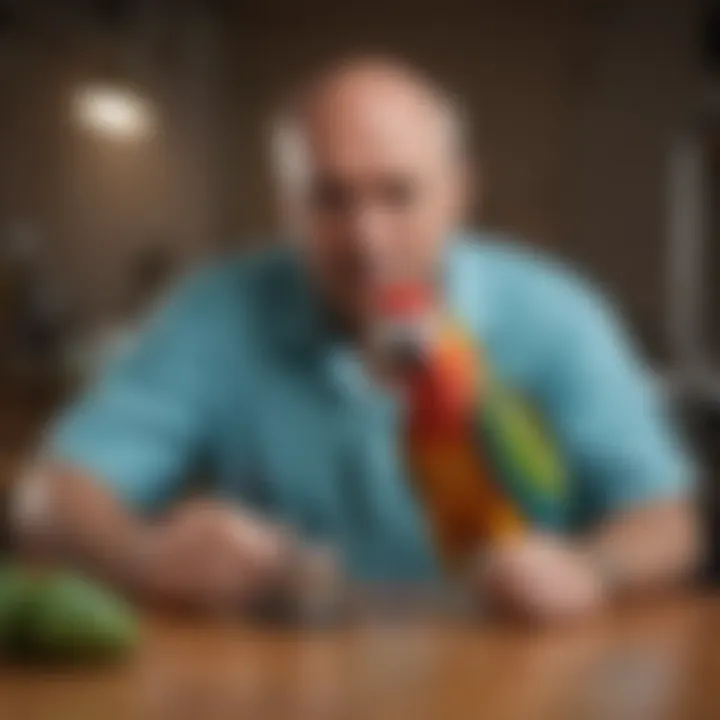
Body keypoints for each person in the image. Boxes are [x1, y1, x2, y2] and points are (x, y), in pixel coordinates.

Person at [12, 57, 700, 622]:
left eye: (398, 194)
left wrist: (592, 568)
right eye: (329, 198)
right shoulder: (212, 309)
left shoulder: (559, 313)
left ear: (460, 192)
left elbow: (668, 518)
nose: (367, 240)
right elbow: (52, 493)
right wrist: (143, 555)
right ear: (287, 205)